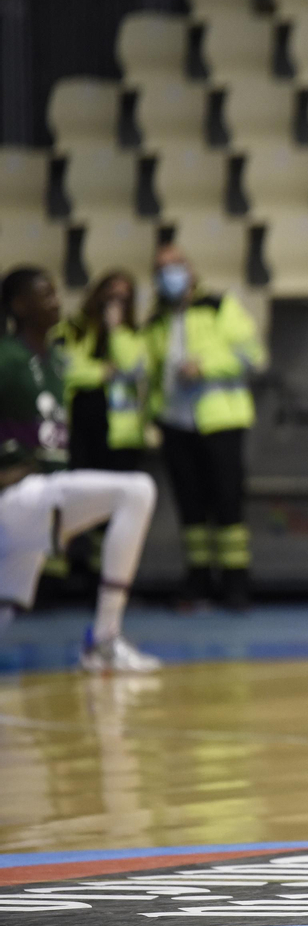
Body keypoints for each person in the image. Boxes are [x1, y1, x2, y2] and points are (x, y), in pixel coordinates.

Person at [0, 267, 159, 672]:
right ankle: (104, 639)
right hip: (20, 494)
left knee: (8, 605)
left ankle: (104, 641)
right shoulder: (6, 356)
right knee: (137, 490)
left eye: (56, 293)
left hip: (42, 500)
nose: (56, 301)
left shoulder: (54, 358)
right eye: (45, 294)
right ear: (19, 306)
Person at [144, 247, 264, 611]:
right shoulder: (156, 321)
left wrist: (206, 365)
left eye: (175, 267)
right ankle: (197, 579)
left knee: (227, 503)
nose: (169, 275)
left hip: (220, 419)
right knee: (190, 506)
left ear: (190, 269)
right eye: (161, 269)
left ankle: (236, 583)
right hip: (175, 423)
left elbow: (252, 356)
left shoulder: (218, 306)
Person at [59, 271, 146, 473]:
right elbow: (62, 369)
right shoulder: (70, 329)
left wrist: (116, 330)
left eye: (123, 298)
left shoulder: (134, 335)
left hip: (120, 433)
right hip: (77, 423)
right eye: (110, 296)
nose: (114, 304)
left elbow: (132, 368)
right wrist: (101, 372)